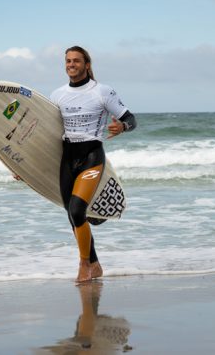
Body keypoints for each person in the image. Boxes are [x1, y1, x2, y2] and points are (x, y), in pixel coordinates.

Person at [50, 46, 137, 283]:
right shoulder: (57, 95)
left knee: (78, 209)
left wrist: (123, 127)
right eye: (68, 61)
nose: (71, 64)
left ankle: (84, 264)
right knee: (72, 215)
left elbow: (130, 118)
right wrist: (22, 165)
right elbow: (46, 134)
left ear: (87, 64)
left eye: (76, 61)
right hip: (68, 157)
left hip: (91, 155)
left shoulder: (102, 92)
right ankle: (95, 265)